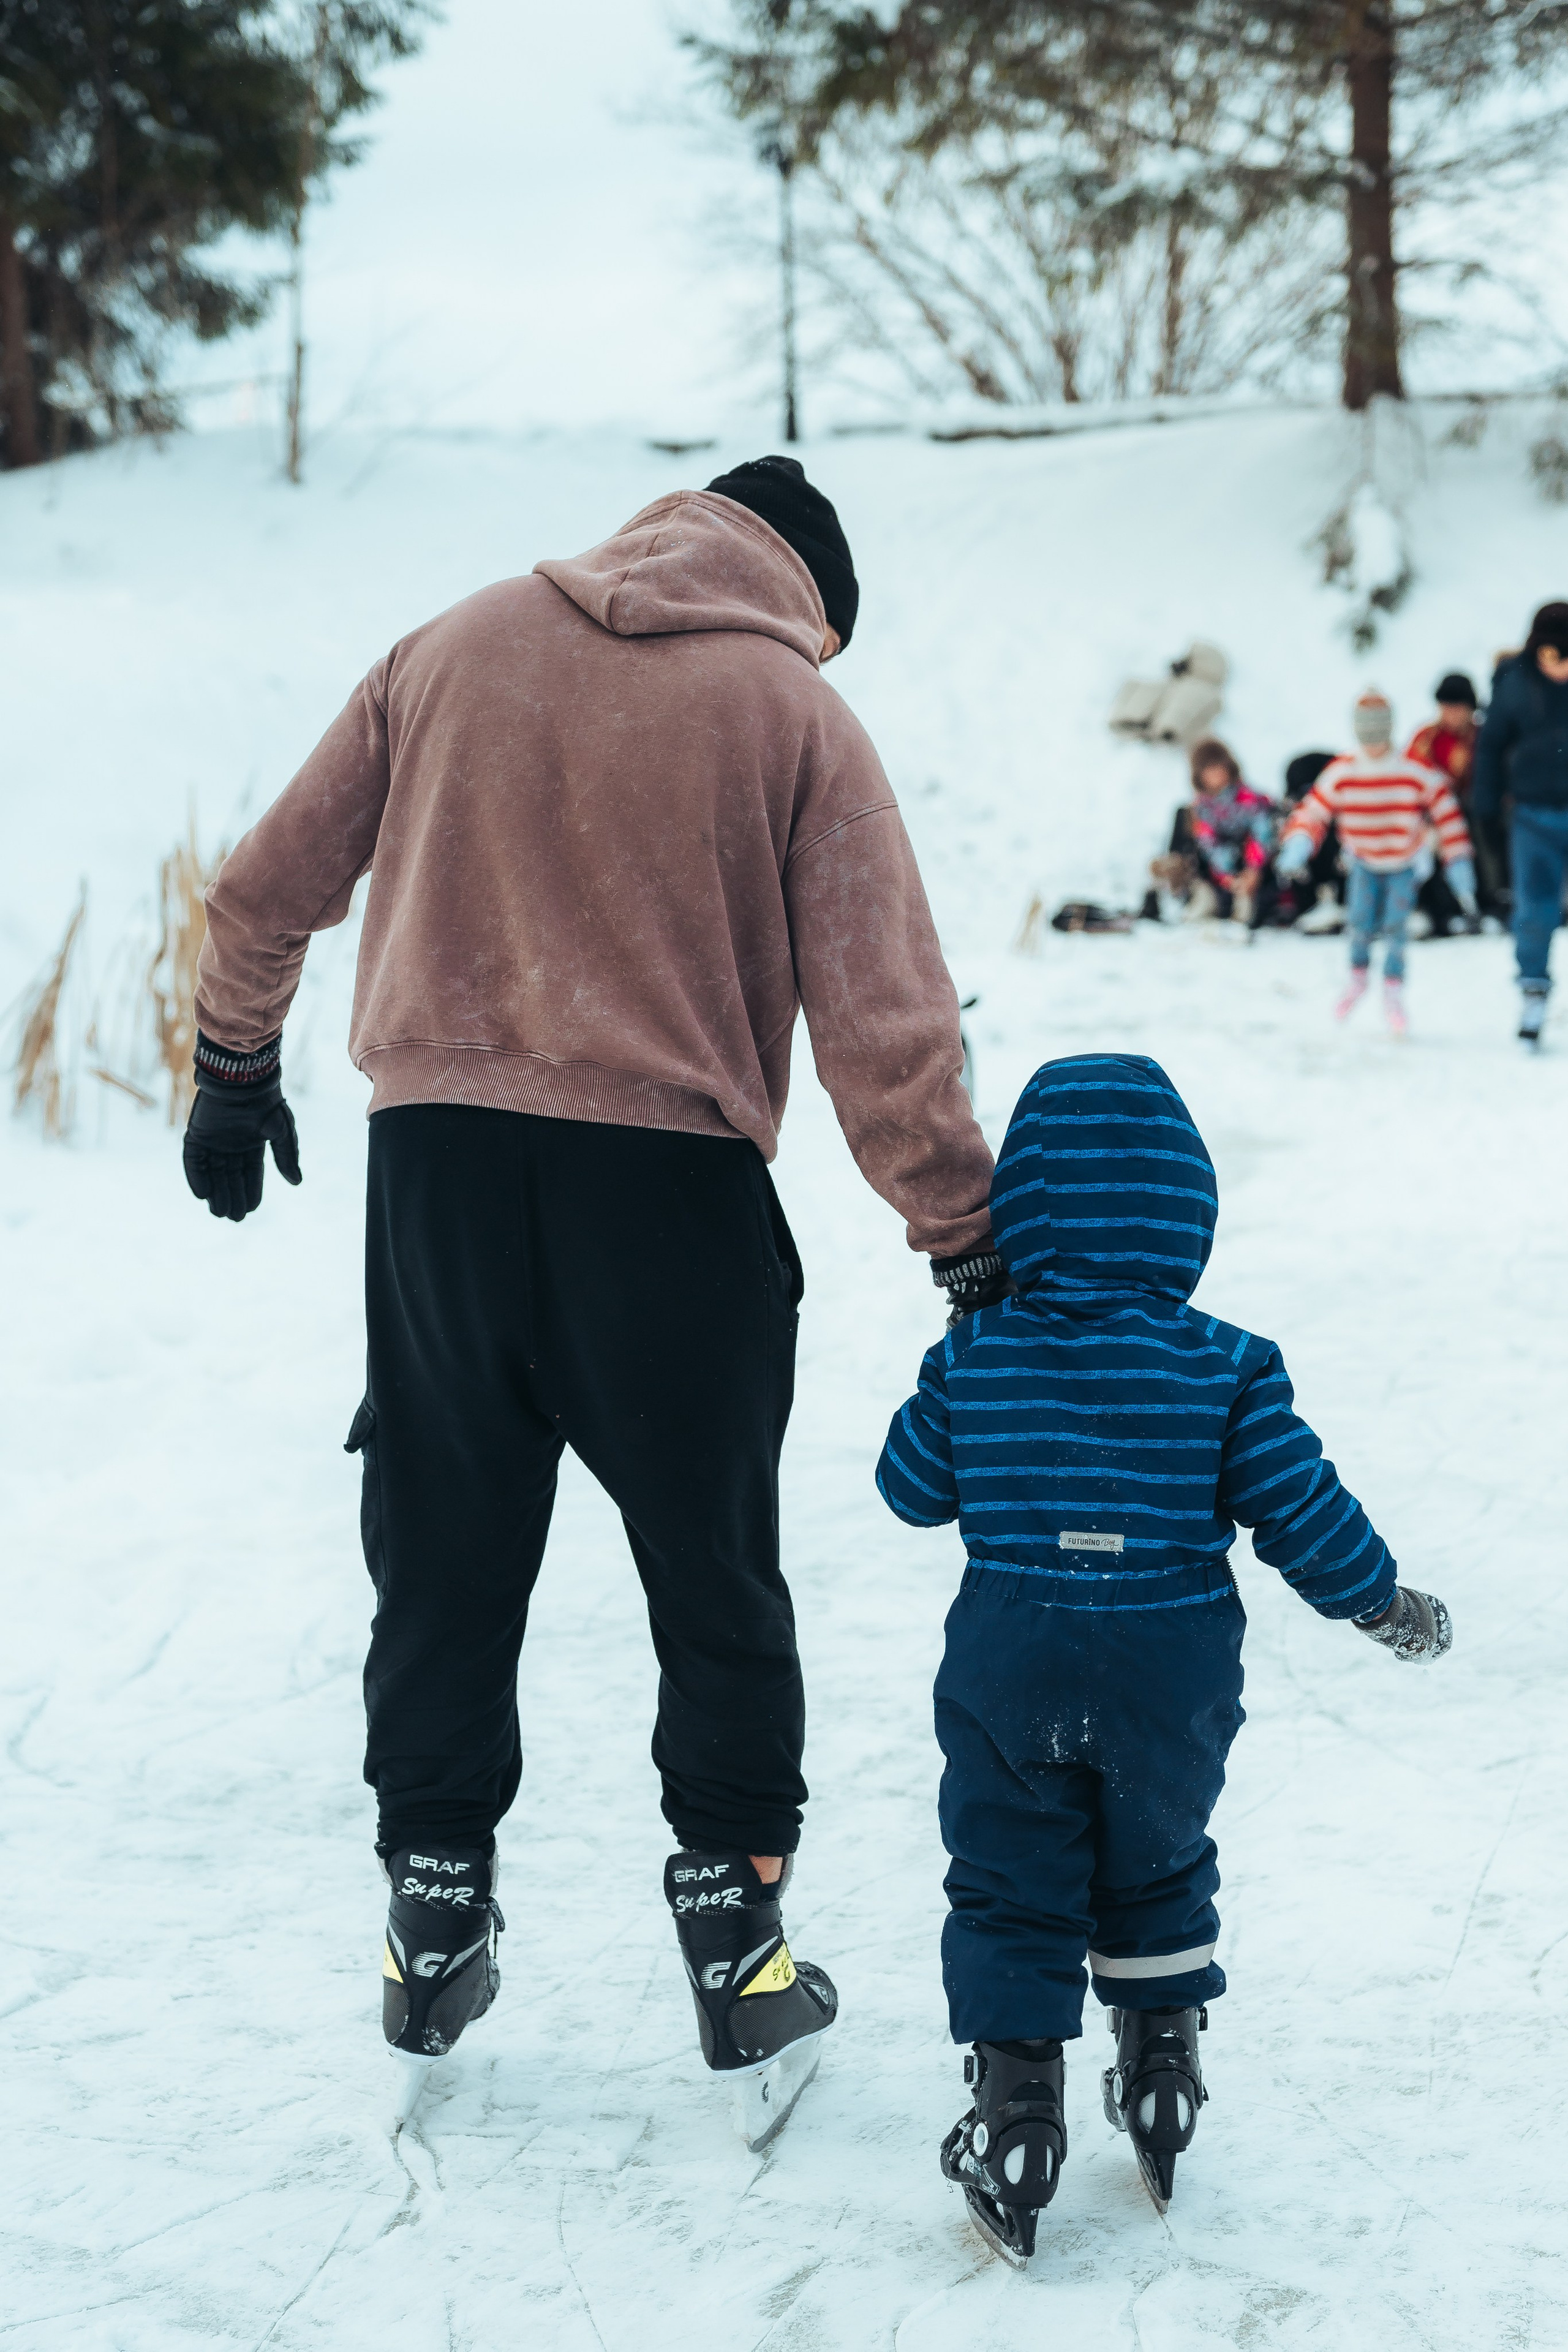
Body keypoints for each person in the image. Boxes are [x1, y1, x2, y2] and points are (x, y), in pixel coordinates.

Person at [179, 454, 1001, 2140]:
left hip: (439, 1176)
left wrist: (233, 1064)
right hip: (670, 1196)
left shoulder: (451, 644)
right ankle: (737, 1939)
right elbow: (885, 1016)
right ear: (809, 602)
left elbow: (264, 887)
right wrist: (963, 1237)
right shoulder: (793, 710)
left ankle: (432, 1905)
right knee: (713, 1564)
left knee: (441, 1538)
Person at [875, 1052, 1452, 2258]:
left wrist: (966, 1334)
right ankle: (1161, 2072)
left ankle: (1015, 2109)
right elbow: (1299, 1508)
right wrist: (1376, 1601)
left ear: (1020, 1213)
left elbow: (908, 1488)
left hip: (1012, 1659)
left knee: (1011, 1873)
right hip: (1169, 1663)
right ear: (1188, 1209)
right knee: (1153, 1855)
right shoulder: (1226, 1364)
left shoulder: (982, 1354)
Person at [1276, 692, 1477, 1035]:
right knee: (1359, 922)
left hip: (1403, 863)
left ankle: (1393, 987)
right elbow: (1314, 809)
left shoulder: (1413, 769)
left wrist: (1458, 859)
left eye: (1378, 733)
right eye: (1367, 733)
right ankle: (1358, 976)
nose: (1373, 743)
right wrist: (1300, 839)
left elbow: (1446, 812)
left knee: (1396, 926)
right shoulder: (1343, 771)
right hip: (1364, 863)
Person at [1470, 601, 1568, 1046]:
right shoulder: (1514, 684)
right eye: (1553, 656)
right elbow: (1490, 747)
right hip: (1533, 816)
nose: (1561, 667)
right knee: (1534, 910)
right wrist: (1486, 807)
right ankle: (1533, 991)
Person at [1406, 673, 1489, 933]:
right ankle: (1431, 909)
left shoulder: (1481, 737)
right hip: (1430, 814)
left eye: (1457, 708)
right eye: (1445, 707)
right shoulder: (1427, 738)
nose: (1450, 714)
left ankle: (1475, 904)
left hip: (1470, 813)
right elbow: (1409, 777)